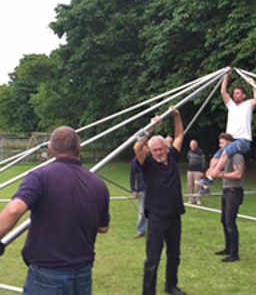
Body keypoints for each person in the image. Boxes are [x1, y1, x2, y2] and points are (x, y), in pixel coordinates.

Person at [0, 126, 110, 295]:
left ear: (50, 150)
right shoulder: (98, 184)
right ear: (79, 148)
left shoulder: (39, 176)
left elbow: (14, 210)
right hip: (83, 276)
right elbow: (103, 227)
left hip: (47, 277)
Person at [134, 107, 186, 295]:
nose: (157, 153)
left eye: (160, 149)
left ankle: (171, 286)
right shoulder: (147, 165)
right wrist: (152, 128)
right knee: (152, 259)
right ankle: (148, 292)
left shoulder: (171, 157)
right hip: (156, 218)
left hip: (174, 217)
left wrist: (177, 116)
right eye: (154, 150)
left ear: (166, 148)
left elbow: (179, 134)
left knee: (174, 255)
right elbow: (137, 147)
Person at [197, 66, 256, 187]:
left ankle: (210, 178)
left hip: (243, 141)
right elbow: (223, 92)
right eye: (234, 93)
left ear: (243, 96)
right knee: (214, 160)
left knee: (225, 153)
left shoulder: (247, 105)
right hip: (230, 141)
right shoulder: (231, 106)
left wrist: (253, 84)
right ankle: (206, 187)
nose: (235, 95)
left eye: (238, 93)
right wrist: (226, 75)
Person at [214, 132, 245, 262]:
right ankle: (227, 248)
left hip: (234, 191)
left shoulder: (237, 156)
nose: (220, 145)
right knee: (224, 220)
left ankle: (234, 254)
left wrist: (221, 174)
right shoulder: (225, 156)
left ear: (229, 143)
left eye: (222, 143)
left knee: (230, 222)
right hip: (226, 191)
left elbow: (238, 174)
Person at [130, 156, 147, 238]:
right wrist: (133, 189)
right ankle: (141, 230)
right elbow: (132, 174)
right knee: (142, 212)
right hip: (142, 190)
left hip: (154, 189)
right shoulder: (136, 160)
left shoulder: (152, 158)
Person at [186, 140, 206, 204]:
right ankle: (191, 199)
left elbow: (203, 162)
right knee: (189, 185)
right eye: (191, 145)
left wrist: (202, 171)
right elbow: (188, 158)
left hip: (197, 170)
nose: (192, 146)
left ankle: (198, 199)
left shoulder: (200, 152)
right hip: (190, 170)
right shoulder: (189, 152)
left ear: (196, 145)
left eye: (193, 145)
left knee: (197, 185)